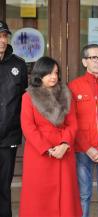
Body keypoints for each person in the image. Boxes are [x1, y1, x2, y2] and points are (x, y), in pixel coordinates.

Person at [19, 56, 82, 216]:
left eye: (56, 72)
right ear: (39, 74)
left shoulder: (66, 94)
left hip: (64, 152)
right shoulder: (28, 97)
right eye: (49, 73)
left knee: (66, 198)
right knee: (38, 199)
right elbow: (28, 127)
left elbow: (73, 124)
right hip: (39, 154)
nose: (54, 76)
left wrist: (65, 144)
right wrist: (47, 148)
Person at [69, 44, 98, 217]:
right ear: (84, 62)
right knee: (83, 195)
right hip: (83, 150)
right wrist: (87, 148)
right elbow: (71, 121)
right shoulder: (74, 86)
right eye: (93, 58)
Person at [0, 20, 28, 217]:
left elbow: (24, 98)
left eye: (4, 36)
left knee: (4, 187)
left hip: (8, 137)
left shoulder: (18, 64)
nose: (1, 40)